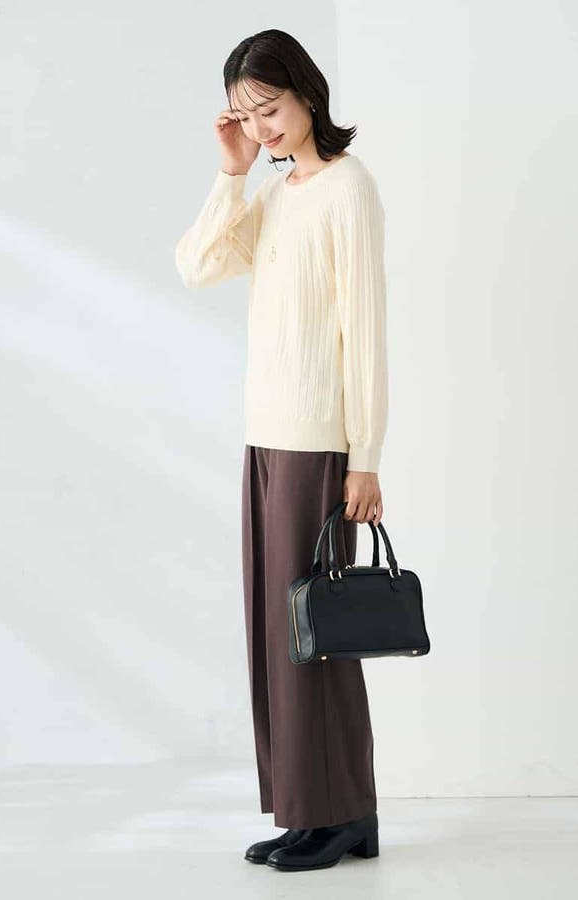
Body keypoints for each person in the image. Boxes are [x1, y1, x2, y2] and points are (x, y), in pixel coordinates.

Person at [174, 29, 388, 872]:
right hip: (266, 437)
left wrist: (365, 455)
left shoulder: (347, 189)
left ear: (307, 94)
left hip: (318, 445)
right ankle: (315, 812)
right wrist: (230, 173)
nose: (262, 126)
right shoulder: (275, 192)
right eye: (247, 113)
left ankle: (338, 814)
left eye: (271, 107)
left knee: (314, 633)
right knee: (280, 631)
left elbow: (364, 331)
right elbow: (197, 267)